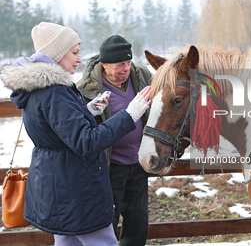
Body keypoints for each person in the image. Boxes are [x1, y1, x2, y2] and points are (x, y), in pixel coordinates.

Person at [0, 22, 151, 246]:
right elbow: (86, 142)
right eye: (74, 52)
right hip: (76, 189)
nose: (79, 59)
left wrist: (86, 111)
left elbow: (53, 129)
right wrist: (130, 115)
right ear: (57, 54)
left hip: (58, 187)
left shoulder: (37, 88)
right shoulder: (55, 92)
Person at [77, 35, 152, 246]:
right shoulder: (87, 88)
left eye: (128, 63)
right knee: (107, 222)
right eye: (120, 65)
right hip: (109, 167)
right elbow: (78, 126)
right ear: (104, 65)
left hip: (137, 165)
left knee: (138, 222)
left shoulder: (142, 77)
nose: (126, 68)